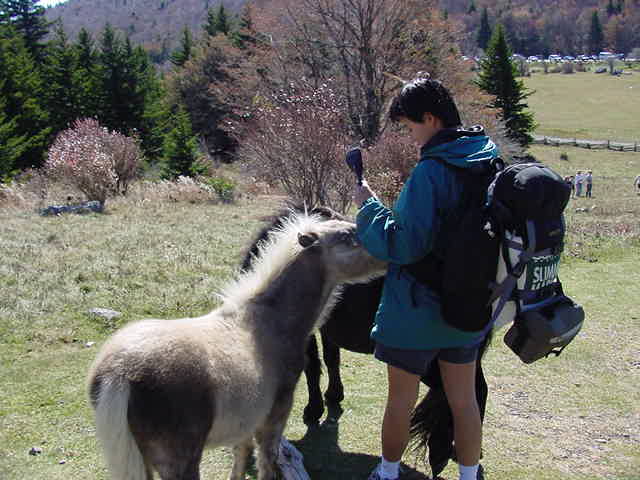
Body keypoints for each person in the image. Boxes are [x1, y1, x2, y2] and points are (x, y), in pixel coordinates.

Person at [353, 76, 498, 480]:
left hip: (416, 310)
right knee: (464, 401)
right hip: (468, 306)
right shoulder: (487, 159)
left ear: (431, 119)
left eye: (410, 126)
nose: (411, 136)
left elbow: (404, 246)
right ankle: (469, 476)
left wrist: (369, 209)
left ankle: (387, 474)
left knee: (400, 400)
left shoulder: (431, 172)